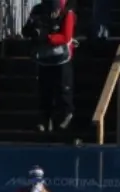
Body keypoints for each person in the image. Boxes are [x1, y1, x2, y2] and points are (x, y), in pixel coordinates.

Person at [23, 0, 77, 132]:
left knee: (63, 91)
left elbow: (66, 37)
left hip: (61, 58)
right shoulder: (38, 11)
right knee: (44, 91)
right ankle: (44, 119)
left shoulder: (67, 13)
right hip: (43, 58)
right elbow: (27, 30)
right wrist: (34, 32)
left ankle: (65, 117)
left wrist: (47, 37)